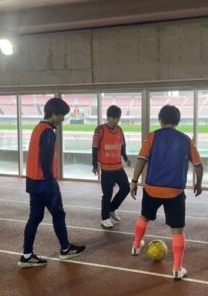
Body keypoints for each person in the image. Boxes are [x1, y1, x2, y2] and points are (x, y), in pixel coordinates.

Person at [129, 105, 203, 281]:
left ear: (160, 120)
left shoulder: (152, 136)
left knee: (144, 217)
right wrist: (198, 183)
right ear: (177, 121)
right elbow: (198, 165)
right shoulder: (186, 140)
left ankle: (136, 246)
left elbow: (141, 159)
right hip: (175, 192)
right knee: (177, 230)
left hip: (152, 189)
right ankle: (177, 269)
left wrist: (134, 181)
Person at [18, 98, 86, 268]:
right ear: (54, 114)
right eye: (62, 115)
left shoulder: (38, 128)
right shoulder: (48, 132)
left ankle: (27, 255)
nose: (63, 118)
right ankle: (65, 249)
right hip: (44, 182)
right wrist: (51, 185)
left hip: (33, 182)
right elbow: (46, 161)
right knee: (58, 214)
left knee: (35, 217)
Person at [92, 105, 131, 228]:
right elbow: (94, 148)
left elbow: (122, 146)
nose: (115, 120)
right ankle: (105, 218)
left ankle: (112, 208)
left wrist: (126, 158)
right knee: (107, 194)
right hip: (106, 169)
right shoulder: (100, 130)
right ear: (108, 117)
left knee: (126, 188)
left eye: (117, 118)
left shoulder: (120, 130)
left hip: (118, 167)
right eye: (113, 118)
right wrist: (94, 165)